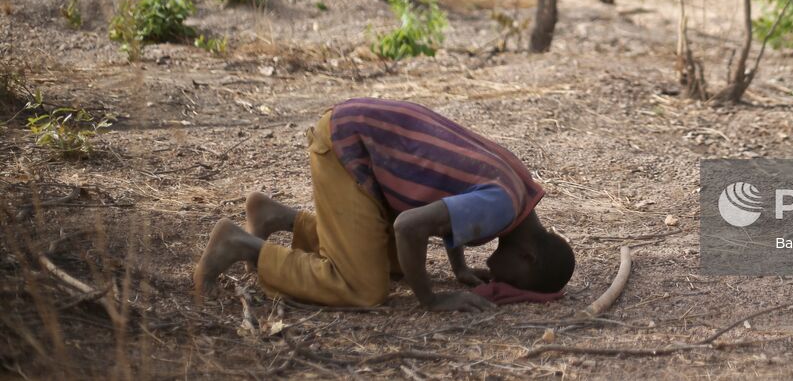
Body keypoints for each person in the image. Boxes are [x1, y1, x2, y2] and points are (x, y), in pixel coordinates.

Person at [194, 97, 574, 311]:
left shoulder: (519, 192)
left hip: (366, 141)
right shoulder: (501, 208)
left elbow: (450, 196)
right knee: (362, 288)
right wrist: (431, 299)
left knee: (394, 262)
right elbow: (409, 226)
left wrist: (458, 267)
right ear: (528, 257)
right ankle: (239, 244)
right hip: (350, 148)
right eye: (514, 280)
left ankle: (278, 216)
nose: (501, 280)